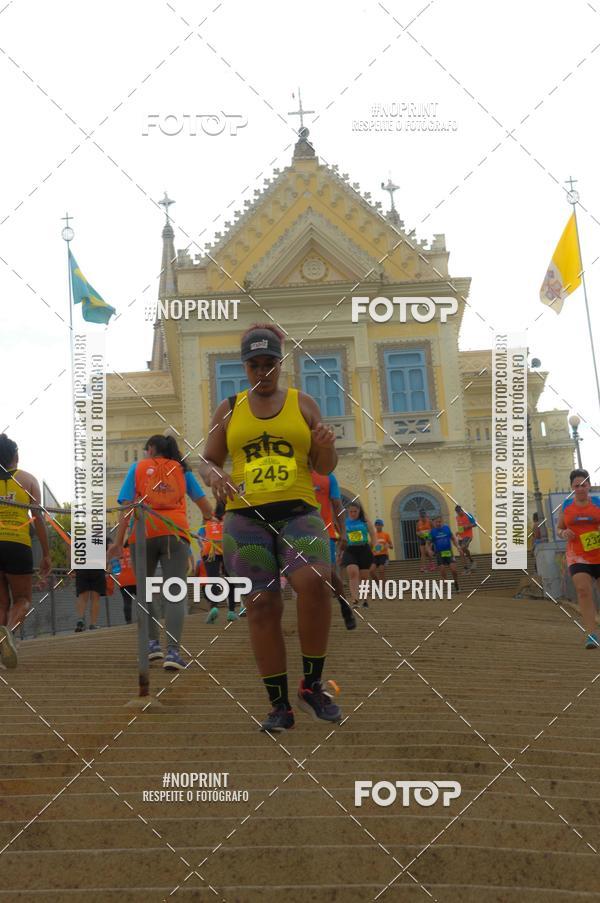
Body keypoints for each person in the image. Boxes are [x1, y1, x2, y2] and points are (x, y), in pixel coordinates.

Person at [198, 323, 342, 733]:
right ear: (244, 367)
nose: (262, 372)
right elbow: (207, 459)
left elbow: (324, 466)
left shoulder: (303, 404)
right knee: (261, 605)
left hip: (298, 511)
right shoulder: (229, 409)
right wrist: (214, 475)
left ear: (281, 364)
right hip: (246, 519)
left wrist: (326, 444)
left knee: (315, 580)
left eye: (269, 364)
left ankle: (311, 686)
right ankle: (279, 706)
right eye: (254, 365)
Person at [108, 434, 213, 670]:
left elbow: (126, 506)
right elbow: (205, 506)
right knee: (175, 592)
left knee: (144, 591)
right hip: (175, 533)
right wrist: (208, 521)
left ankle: (153, 645)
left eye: (146, 450)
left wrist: (118, 542)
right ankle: (173, 653)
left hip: (143, 533)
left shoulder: (137, 468)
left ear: (152, 449)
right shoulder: (181, 470)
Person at [0, 434, 51, 668]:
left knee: (1, 603)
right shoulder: (28, 480)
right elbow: (37, 518)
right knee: (23, 599)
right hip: (18, 545)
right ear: (16, 456)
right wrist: (46, 554)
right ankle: (8, 634)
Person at [556, 469, 600, 649]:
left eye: (584, 485)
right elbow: (559, 528)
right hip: (577, 556)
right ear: (572, 487)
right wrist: (563, 533)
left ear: (589, 486)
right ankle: (592, 634)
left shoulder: (598, 503)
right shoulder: (566, 506)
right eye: (577, 486)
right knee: (583, 590)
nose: (580, 488)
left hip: (598, 553)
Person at [311, 469, 355, 630]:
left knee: (328, 572)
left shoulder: (328, 477)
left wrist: (343, 532)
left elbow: (337, 506)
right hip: (300, 533)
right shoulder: (294, 473)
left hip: (325, 532)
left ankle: (344, 605)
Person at [204, 501, 238, 624]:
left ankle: (214, 607)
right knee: (230, 580)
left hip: (210, 549)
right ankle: (231, 612)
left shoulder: (208, 517)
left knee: (213, 579)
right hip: (227, 548)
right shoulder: (230, 517)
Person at [341, 502, 376, 608]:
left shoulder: (365, 522)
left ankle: (365, 599)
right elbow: (341, 538)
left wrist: (375, 549)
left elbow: (373, 537)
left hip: (364, 550)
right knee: (353, 573)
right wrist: (339, 552)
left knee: (364, 577)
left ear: (359, 511)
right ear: (348, 511)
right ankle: (355, 599)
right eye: (351, 511)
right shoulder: (344, 523)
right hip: (350, 550)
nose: (353, 513)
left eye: (355, 511)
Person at [430, 515, 460, 592]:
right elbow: (427, 543)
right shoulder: (432, 532)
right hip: (439, 553)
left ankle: (456, 582)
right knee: (442, 570)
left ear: (442, 522)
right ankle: (447, 584)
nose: (438, 523)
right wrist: (429, 550)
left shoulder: (446, 528)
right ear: (434, 523)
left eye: (439, 522)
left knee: (454, 570)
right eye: (437, 522)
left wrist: (457, 546)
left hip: (448, 552)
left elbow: (453, 538)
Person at [74, 567, 106, 631]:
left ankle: (80, 620)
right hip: (97, 568)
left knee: (82, 597)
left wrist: (73, 569)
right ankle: (93, 624)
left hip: (82, 568)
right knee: (95, 598)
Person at [115, 541, 136, 625]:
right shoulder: (135, 551)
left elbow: (115, 570)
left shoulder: (119, 554)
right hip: (136, 580)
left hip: (123, 582)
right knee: (143, 601)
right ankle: (145, 618)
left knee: (127, 602)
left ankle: (128, 621)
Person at [455, 505, 477, 573]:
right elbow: (460, 527)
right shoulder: (457, 517)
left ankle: (471, 561)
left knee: (463, 547)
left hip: (468, 536)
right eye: (457, 512)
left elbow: (475, 524)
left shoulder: (468, 515)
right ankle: (466, 567)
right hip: (461, 537)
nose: (459, 513)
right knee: (461, 551)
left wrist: (468, 526)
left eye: (460, 511)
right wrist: (458, 532)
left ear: (462, 510)